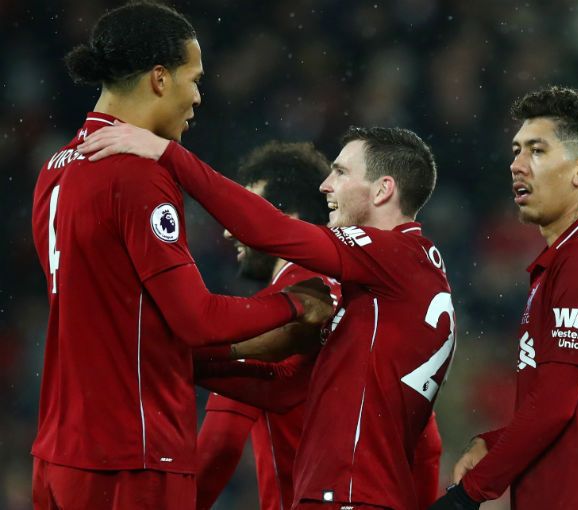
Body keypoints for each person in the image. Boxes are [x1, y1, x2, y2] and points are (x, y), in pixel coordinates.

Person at [30, 4, 329, 509]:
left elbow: (123, 321)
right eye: (194, 79)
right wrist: (296, 306)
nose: (198, 96)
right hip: (132, 453)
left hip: (59, 454)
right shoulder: (136, 172)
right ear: (160, 78)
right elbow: (195, 318)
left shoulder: (56, 169)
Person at [79, 124, 456, 510]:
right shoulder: (386, 288)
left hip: (347, 497)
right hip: (352, 495)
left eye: (341, 172)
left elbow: (268, 230)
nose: (326, 185)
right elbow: (286, 388)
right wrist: (171, 358)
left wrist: (168, 154)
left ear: (383, 190)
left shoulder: (393, 255)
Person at [430, 86, 578, 510]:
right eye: (516, 150)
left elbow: (555, 404)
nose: (516, 165)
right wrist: (492, 443)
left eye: (536, 151)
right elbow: (570, 406)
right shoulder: (570, 257)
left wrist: (469, 496)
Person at [193, 141, 443, 510]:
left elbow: (220, 443)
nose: (230, 232)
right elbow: (427, 444)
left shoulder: (291, 302)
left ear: (282, 221)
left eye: (243, 217)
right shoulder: (369, 302)